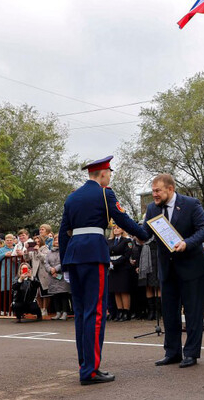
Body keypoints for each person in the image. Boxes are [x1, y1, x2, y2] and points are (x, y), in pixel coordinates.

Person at [59, 155, 151, 385]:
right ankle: (90, 370)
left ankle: (85, 365)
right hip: (93, 255)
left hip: (74, 256)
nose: (110, 176)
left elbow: (63, 233)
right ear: (102, 174)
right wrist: (144, 235)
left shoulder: (72, 198)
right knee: (96, 312)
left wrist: (64, 263)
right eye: (109, 173)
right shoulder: (104, 193)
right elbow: (123, 218)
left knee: (81, 313)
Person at [142, 173, 204, 369]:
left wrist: (186, 243)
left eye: (157, 191)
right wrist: (134, 232)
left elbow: (203, 229)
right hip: (167, 268)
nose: (154, 194)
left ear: (170, 189)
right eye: (153, 190)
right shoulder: (152, 208)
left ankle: (191, 353)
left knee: (192, 312)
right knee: (169, 312)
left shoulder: (190, 203)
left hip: (191, 266)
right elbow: (146, 234)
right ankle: (172, 352)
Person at [108, 224, 135, 322]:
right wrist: (109, 262)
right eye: (114, 228)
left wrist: (114, 263)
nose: (115, 230)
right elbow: (106, 253)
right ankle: (119, 311)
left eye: (118, 228)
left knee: (124, 290)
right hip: (112, 268)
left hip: (123, 268)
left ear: (123, 229)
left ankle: (126, 312)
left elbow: (127, 255)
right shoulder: (109, 241)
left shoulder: (127, 241)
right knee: (116, 291)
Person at [46, 239, 71, 320]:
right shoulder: (49, 252)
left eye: (58, 240)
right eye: (55, 240)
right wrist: (50, 269)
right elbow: (46, 263)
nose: (57, 241)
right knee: (55, 295)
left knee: (63, 294)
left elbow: (64, 261)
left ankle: (65, 312)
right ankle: (57, 312)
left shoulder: (64, 251)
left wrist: (56, 269)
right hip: (52, 276)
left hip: (62, 274)